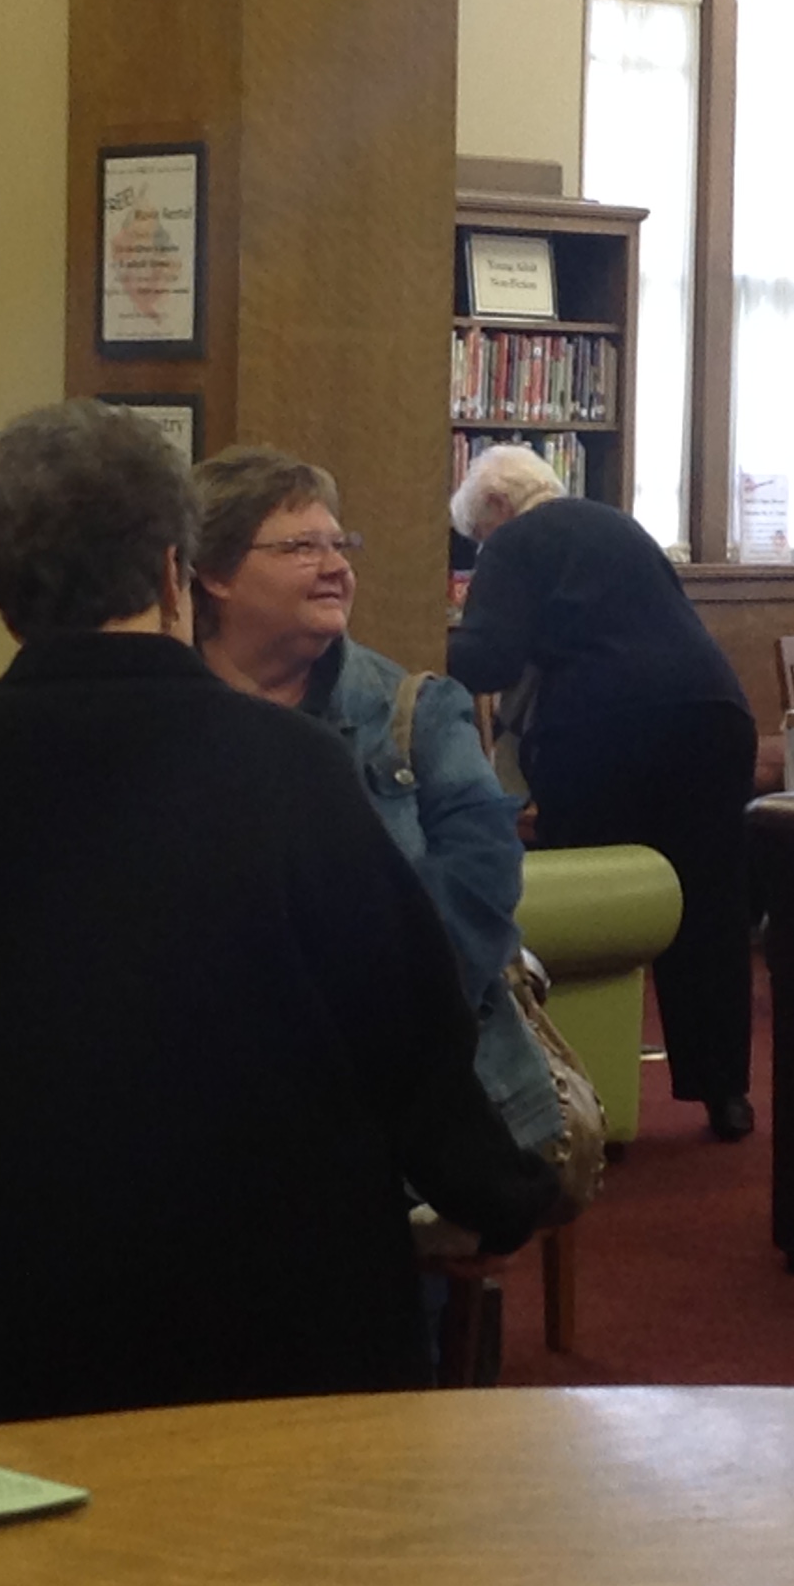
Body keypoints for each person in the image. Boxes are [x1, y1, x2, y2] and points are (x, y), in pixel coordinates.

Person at [0, 401, 556, 1429]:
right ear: (176, 569)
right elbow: (405, 1027)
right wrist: (498, 1195)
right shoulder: (288, 761)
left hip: (25, 1312)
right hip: (287, 1320)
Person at [188, 445, 560, 1161]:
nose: (336, 567)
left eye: (339, 543)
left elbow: (481, 882)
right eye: (302, 546)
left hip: (402, 1103)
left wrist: (372, 1014)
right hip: (209, 1103)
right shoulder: (162, 721)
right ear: (213, 573)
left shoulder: (413, 711)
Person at [447, 446, 760, 1142]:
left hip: (601, 728)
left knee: (584, 906)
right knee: (708, 904)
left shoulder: (515, 542)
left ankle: (576, 1093)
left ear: (496, 510)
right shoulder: (619, 525)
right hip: (714, 714)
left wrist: (426, 645)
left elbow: (490, 659)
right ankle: (725, 1094)